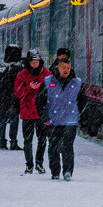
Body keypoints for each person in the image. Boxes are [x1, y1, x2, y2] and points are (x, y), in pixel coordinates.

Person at [44, 47, 83, 181]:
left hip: (70, 121)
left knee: (67, 147)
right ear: (58, 68)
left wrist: (79, 114)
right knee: (53, 147)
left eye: (68, 67)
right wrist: (44, 116)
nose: (66, 70)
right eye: (63, 67)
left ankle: (67, 171)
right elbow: (40, 100)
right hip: (53, 120)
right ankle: (55, 172)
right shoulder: (48, 81)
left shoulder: (77, 82)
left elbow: (83, 100)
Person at [14, 50, 50, 174]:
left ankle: (39, 163)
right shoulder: (22, 74)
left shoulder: (46, 74)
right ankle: (29, 164)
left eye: (36, 62)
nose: (34, 65)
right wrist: (30, 87)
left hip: (41, 111)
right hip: (28, 111)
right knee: (28, 139)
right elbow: (17, 92)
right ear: (28, 62)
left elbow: (51, 91)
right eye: (32, 62)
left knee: (42, 138)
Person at [0, 45, 23, 150]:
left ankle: (2, 141)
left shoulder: (0, 67)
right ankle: (13, 141)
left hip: (3, 97)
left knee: (3, 119)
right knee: (14, 120)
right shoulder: (18, 68)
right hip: (14, 97)